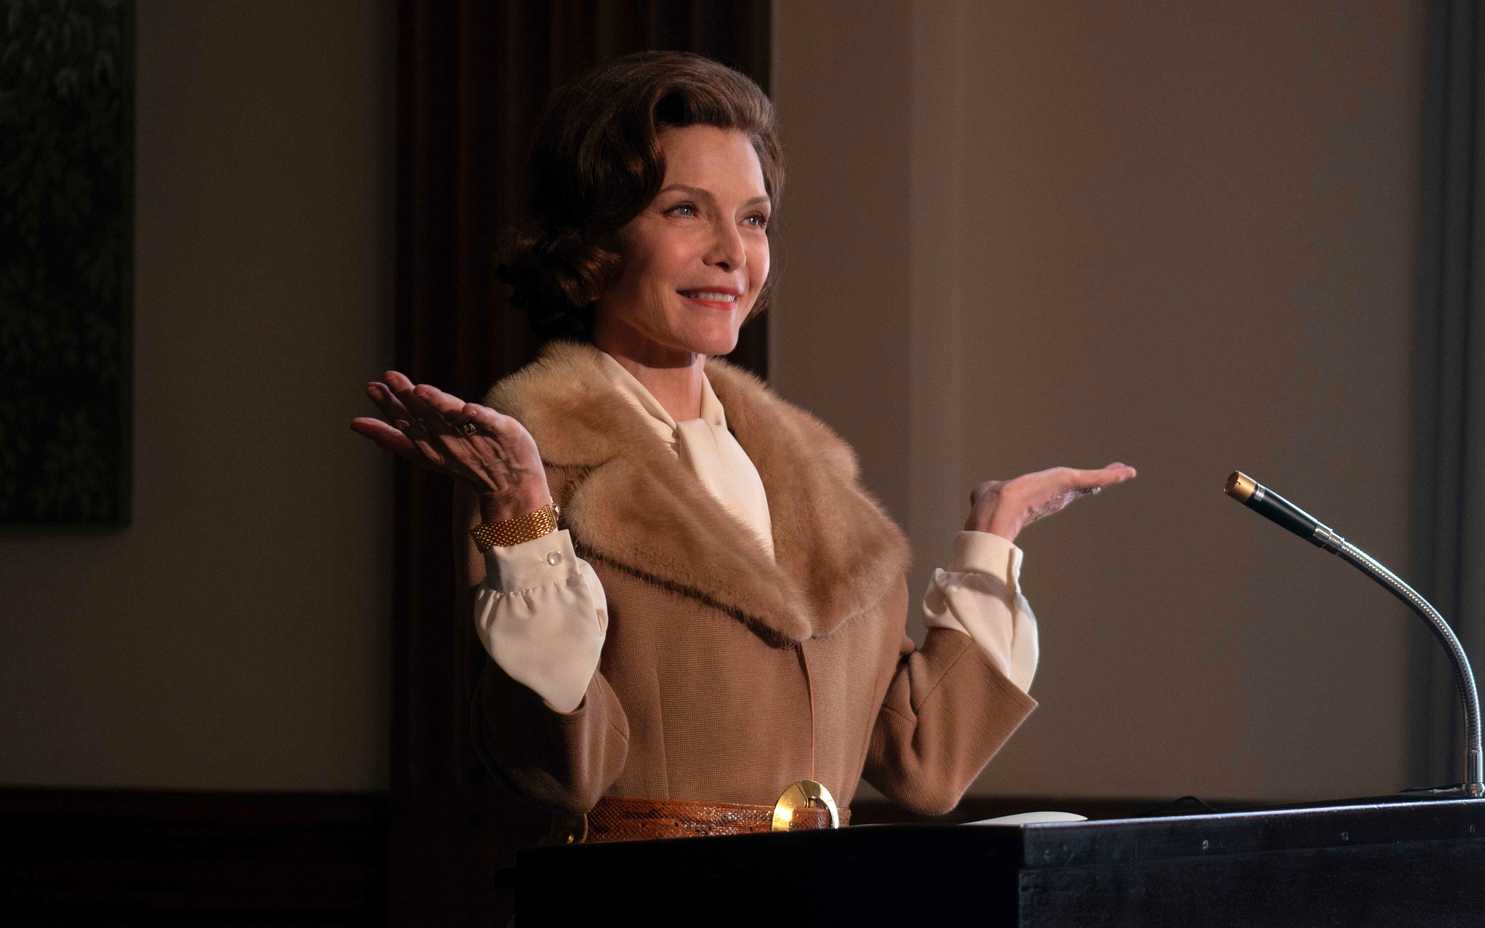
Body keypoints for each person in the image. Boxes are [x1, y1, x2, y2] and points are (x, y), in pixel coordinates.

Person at [351, 51, 1136, 843]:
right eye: (685, 210)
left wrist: (990, 543)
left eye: (753, 218)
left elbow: (923, 765)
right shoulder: (532, 470)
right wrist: (522, 522)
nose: (733, 250)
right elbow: (565, 770)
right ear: (593, 245)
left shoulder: (808, 478)